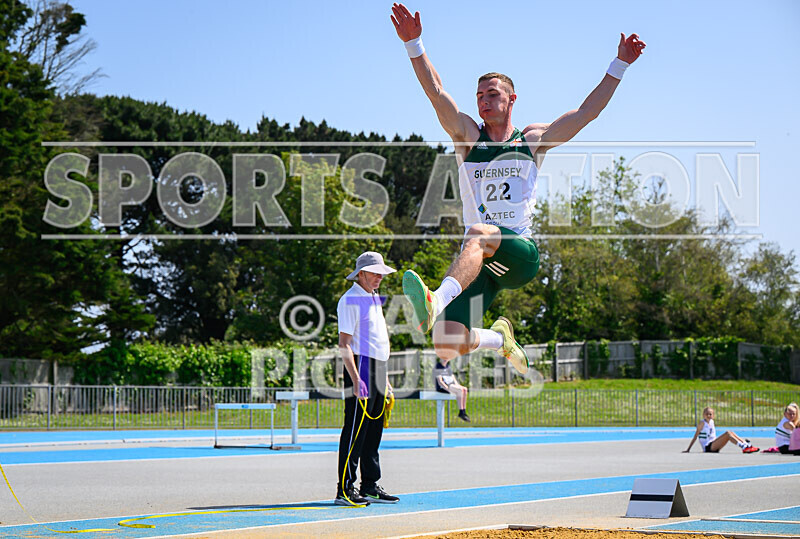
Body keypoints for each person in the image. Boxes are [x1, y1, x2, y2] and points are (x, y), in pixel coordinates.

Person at [391, 3, 646, 374]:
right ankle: (500, 339)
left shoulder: (532, 140)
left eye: (492, 94)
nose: (483, 100)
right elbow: (436, 92)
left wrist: (618, 65)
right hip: (482, 263)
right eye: (479, 96)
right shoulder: (467, 137)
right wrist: (414, 44)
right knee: (446, 342)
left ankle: (436, 298)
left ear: (512, 99)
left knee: (478, 232)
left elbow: (585, 113)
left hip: (519, 254)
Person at [335, 251, 400, 506]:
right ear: (360, 274)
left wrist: (384, 378)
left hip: (378, 367)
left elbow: (376, 338)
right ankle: (344, 489)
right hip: (360, 366)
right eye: (374, 272)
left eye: (381, 273)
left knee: (374, 431)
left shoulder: (373, 297)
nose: (379, 277)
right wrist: (356, 378)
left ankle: (370, 485)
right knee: (355, 431)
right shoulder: (350, 299)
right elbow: (344, 344)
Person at [683, 407, 760, 454]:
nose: (709, 415)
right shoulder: (702, 423)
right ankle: (743, 447)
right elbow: (695, 436)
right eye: (707, 414)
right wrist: (688, 449)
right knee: (727, 434)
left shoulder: (712, 422)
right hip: (708, 447)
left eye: (710, 414)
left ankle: (746, 444)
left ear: (713, 415)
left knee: (730, 432)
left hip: (714, 444)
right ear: (703, 414)